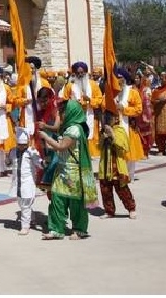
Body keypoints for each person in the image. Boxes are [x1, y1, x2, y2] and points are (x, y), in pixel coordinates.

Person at [39, 100, 98, 240]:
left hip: (74, 172)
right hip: (62, 169)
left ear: (71, 112)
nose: (61, 115)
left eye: (63, 112)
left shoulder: (74, 129)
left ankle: (79, 229)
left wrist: (46, 137)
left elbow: (62, 146)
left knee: (75, 202)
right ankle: (56, 229)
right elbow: (59, 146)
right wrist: (46, 146)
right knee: (57, 198)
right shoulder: (67, 128)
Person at [98, 112, 137, 219]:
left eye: (109, 117)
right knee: (105, 190)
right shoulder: (103, 130)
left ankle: (131, 208)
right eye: (106, 117)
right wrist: (103, 138)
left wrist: (112, 136)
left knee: (122, 189)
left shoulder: (120, 130)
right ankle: (109, 211)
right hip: (105, 165)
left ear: (116, 119)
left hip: (117, 165)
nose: (107, 119)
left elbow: (124, 147)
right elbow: (99, 147)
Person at [63, 62, 103, 158]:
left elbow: (100, 100)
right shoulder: (69, 86)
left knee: (89, 135)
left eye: (82, 73)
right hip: (74, 117)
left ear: (86, 72)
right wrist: (73, 103)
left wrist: (89, 100)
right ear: (74, 74)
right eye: (78, 73)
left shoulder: (93, 85)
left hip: (90, 114)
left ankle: (89, 155)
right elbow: (64, 101)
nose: (80, 75)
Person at [6, 128, 42, 235]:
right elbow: (9, 163)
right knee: (22, 204)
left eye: (24, 144)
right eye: (19, 144)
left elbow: (39, 164)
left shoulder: (32, 151)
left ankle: (25, 226)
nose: (21, 146)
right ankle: (31, 219)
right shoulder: (13, 151)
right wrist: (7, 159)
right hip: (17, 182)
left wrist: (44, 162)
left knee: (26, 204)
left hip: (28, 182)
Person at [114, 67, 144, 182]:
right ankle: (120, 173)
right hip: (116, 126)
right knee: (117, 152)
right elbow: (103, 104)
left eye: (120, 78)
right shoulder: (112, 92)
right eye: (116, 78)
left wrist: (124, 109)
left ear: (125, 79)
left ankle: (129, 176)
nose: (118, 80)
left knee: (130, 154)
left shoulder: (133, 92)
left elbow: (138, 109)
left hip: (129, 127)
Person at [13, 56, 52, 137]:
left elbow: (51, 98)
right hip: (27, 115)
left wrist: (42, 100)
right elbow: (16, 101)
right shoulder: (22, 84)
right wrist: (26, 101)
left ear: (36, 69)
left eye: (32, 68)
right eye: (29, 69)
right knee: (27, 137)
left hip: (42, 114)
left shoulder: (44, 83)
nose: (30, 70)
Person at [134, 74, 153, 156]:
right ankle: (139, 151)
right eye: (135, 78)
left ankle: (145, 152)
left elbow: (148, 103)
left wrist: (146, 115)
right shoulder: (133, 89)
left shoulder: (146, 90)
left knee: (146, 133)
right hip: (136, 114)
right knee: (137, 133)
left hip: (145, 114)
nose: (136, 79)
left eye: (138, 78)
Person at [151, 71, 166, 155]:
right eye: (161, 78)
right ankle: (161, 149)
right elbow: (152, 100)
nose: (162, 79)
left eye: (163, 77)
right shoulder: (157, 90)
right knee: (160, 133)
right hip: (159, 114)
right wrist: (159, 101)